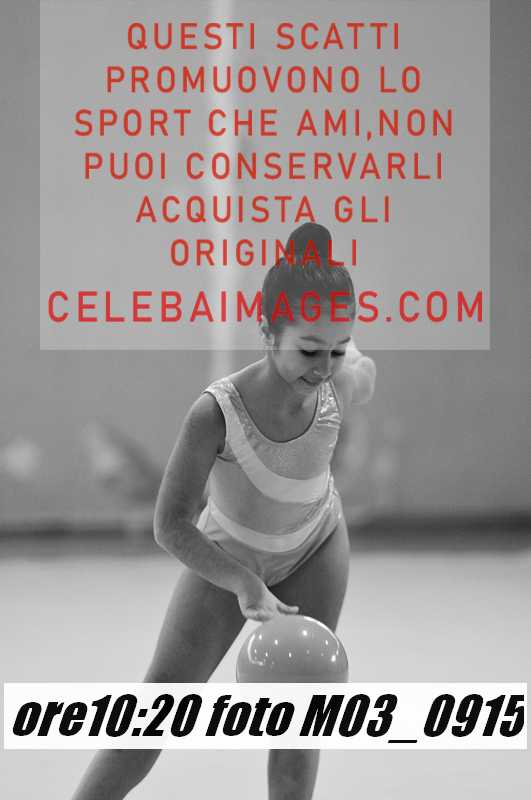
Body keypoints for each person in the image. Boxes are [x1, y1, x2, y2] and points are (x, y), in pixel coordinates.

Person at [72, 223, 376, 800]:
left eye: (338, 349)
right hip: (229, 552)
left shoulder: (339, 377)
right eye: (309, 350)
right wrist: (242, 582)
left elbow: (354, 369)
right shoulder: (216, 412)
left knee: (299, 725)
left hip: (317, 546)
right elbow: (169, 525)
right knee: (157, 708)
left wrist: (351, 364)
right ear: (267, 330)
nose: (323, 366)